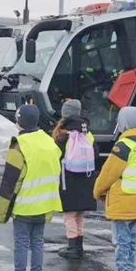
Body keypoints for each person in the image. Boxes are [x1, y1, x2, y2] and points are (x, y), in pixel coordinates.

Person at [0, 104, 63, 271]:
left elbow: (11, 181)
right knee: (38, 242)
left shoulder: (20, 145)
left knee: (21, 243)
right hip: (45, 204)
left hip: (25, 205)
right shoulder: (50, 143)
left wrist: (2, 213)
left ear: (20, 122)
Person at [94, 106, 136, 271]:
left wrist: (98, 191)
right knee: (131, 239)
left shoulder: (123, 146)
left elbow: (108, 173)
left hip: (122, 199)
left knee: (121, 241)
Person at [52, 99, 97, 260]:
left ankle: (72, 246)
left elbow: (55, 157)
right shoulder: (87, 133)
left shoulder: (63, 134)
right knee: (79, 214)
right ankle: (79, 245)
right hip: (85, 179)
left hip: (68, 180)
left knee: (69, 215)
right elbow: (96, 154)